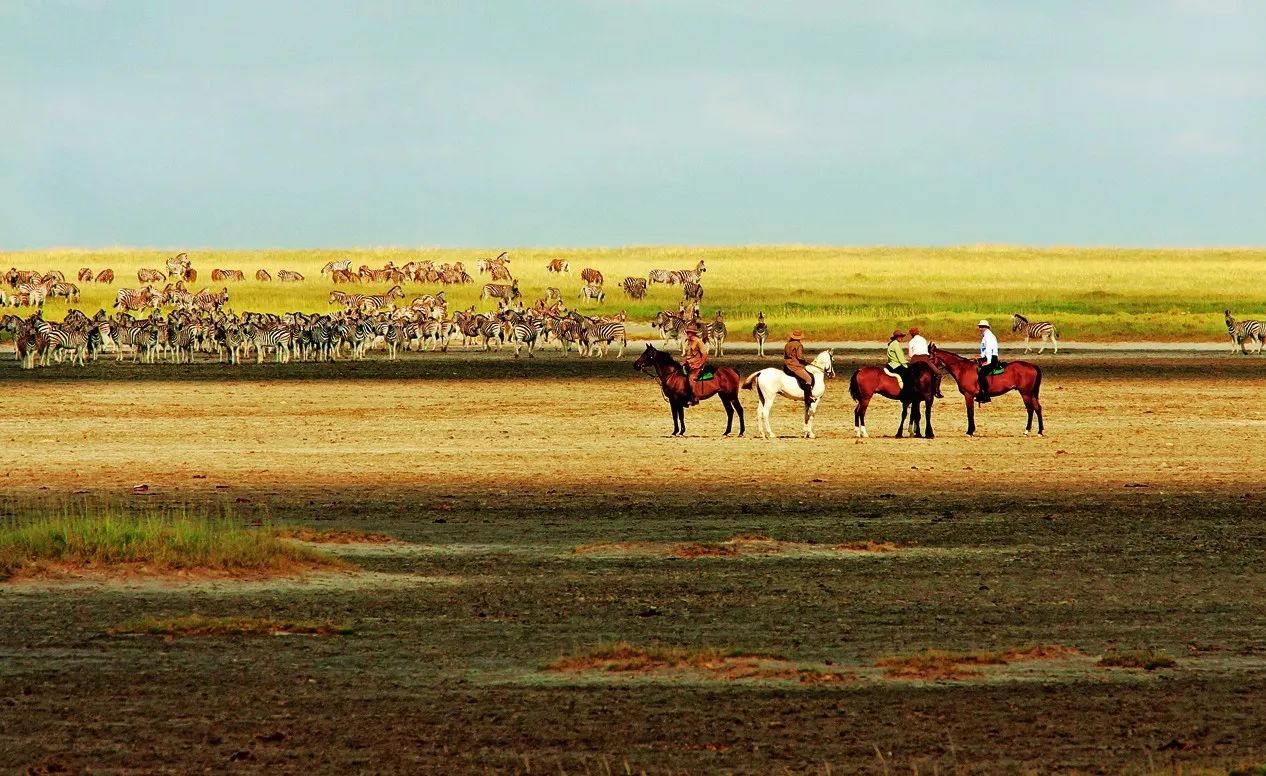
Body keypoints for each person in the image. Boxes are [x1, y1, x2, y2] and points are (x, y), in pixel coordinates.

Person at [906, 326, 943, 399]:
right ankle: (936, 391)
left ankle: (907, 391)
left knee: (906, 375)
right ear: (918, 333)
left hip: (914, 359)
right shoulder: (923, 339)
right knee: (938, 374)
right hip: (925, 359)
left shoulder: (911, 342)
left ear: (911, 334)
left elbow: (910, 355)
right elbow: (926, 351)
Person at [782, 330, 814, 408]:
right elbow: (799, 357)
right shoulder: (798, 345)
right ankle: (808, 398)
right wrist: (805, 362)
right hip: (795, 366)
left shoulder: (787, 344)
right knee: (808, 379)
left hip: (786, 365)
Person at [681, 324, 709, 405]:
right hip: (689, 364)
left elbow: (704, 354)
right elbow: (689, 355)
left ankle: (694, 398)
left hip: (697, 365)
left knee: (691, 378)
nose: (688, 334)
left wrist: (700, 364)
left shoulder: (699, 341)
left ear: (694, 333)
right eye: (688, 332)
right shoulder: (689, 342)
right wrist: (684, 361)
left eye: (690, 332)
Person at [977, 319, 999, 403]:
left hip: (991, 358)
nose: (980, 328)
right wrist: (981, 355)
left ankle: (986, 396)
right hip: (987, 357)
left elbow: (989, 349)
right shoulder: (985, 336)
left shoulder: (988, 336)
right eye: (979, 327)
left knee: (982, 373)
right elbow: (985, 350)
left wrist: (988, 362)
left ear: (986, 327)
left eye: (981, 327)